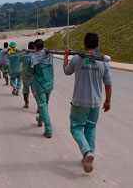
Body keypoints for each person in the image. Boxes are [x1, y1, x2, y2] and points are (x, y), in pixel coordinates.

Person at [63, 33, 112, 173]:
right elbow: (108, 84)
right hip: (95, 103)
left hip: (79, 102)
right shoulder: (104, 61)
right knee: (90, 129)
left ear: (84, 44)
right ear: (98, 45)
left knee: (76, 128)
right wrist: (108, 101)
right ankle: (90, 155)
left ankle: (86, 152)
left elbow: (66, 71)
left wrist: (66, 56)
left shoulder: (77, 58)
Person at [27, 39, 54, 138]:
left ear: (35, 47)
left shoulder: (34, 59)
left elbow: (30, 72)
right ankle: (40, 120)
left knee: (43, 106)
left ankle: (48, 130)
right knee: (45, 105)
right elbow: (45, 49)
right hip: (49, 84)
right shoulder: (49, 55)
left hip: (40, 86)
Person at [20, 41, 38, 110]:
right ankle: (38, 105)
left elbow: (20, 60)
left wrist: (22, 52)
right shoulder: (36, 55)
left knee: (25, 90)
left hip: (25, 76)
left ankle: (26, 103)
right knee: (35, 91)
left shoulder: (24, 54)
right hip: (33, 76)